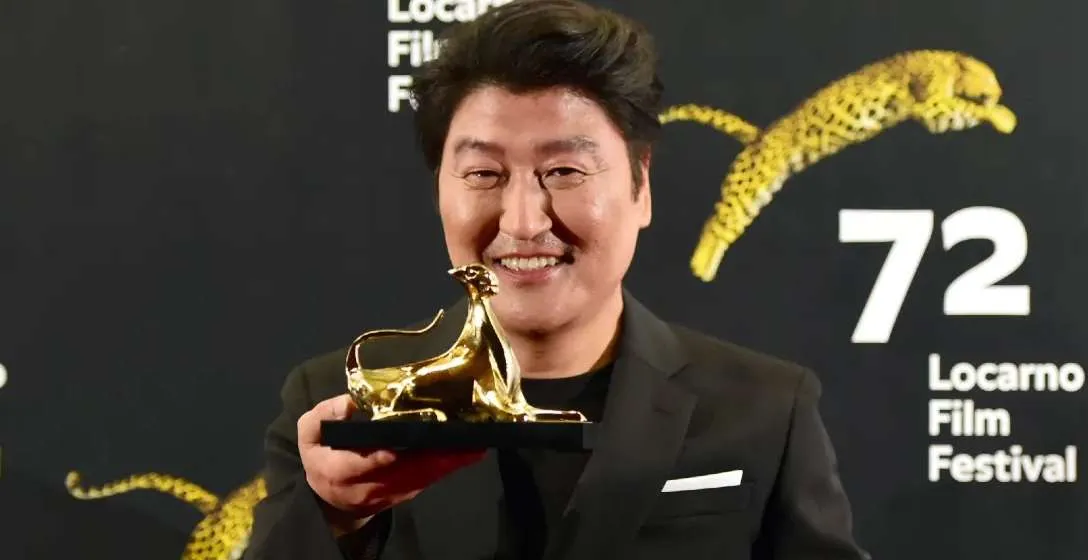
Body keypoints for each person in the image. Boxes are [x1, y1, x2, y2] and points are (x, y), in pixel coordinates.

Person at [245, 1, 870, 558]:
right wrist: (336, 517)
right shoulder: (341, 408)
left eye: (565, 171)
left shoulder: (764, 412)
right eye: (484, 175)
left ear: (641, 186)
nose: (522, 221)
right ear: (439, 191)